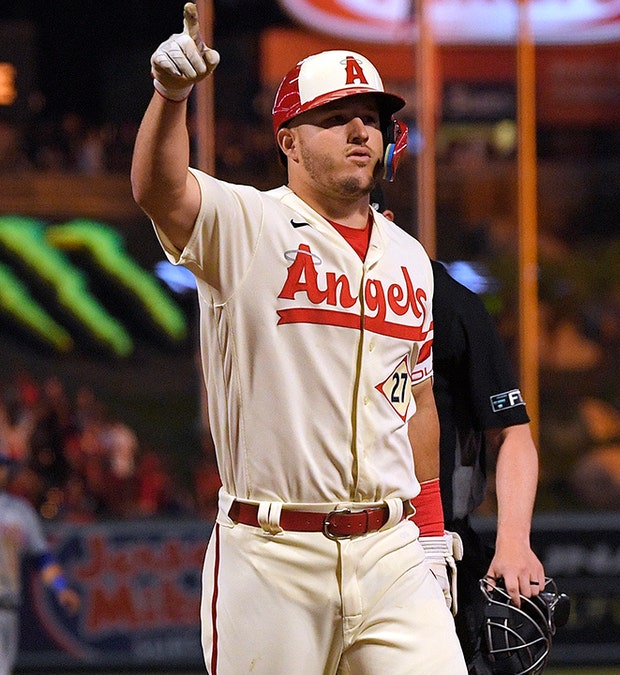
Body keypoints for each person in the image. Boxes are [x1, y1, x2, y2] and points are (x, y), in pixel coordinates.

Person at [130, 4, 465, 673]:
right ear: (289, 140)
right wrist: (170, 97)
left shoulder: (408, 258)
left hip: (390, 549)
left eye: (370, 116)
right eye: (336, 117)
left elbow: (416, 401)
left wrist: (430, 532)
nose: (360, 130)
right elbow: (159, 190)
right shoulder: (248, 224)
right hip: (273, 550)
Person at [430, 261, 545, 673]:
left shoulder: (447, 301)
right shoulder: (304, 298)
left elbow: (512, 433)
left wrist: (514, 541)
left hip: (439, 540)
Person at [0, 457, 79, 675]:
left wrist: (61, 587)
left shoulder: (20, 511)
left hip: (8, 609)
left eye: (3, 467)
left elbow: (41, 557)